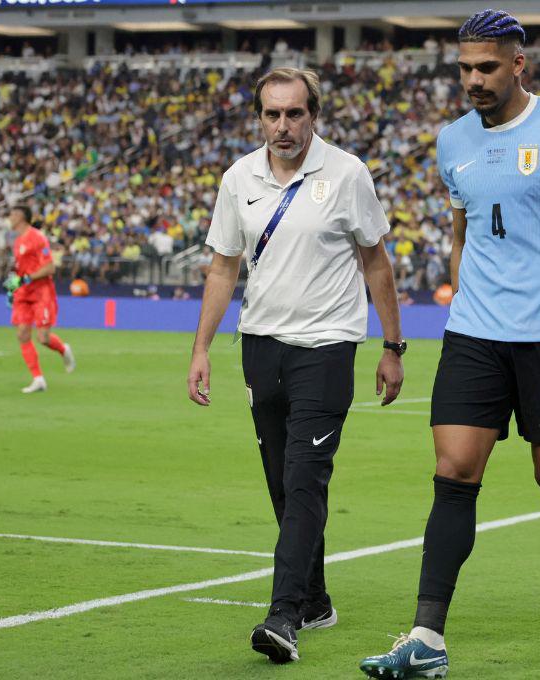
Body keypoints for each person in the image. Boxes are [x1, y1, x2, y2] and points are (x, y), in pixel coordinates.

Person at [359, 10, 540, 679]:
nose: (474, 80)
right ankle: (427, 637)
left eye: (487, 68)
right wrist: (465, 298)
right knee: (453, 473)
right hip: (474, 336)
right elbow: (463, 231)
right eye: (465, 69)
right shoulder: (452, 140)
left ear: (519, 65)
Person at [186, 67, 405, 664]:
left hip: (328, 346)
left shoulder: (346, 174)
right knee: (284, 484)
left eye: (294, 114)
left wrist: (393, 345)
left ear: (314, 116)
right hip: (261, 346)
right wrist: (202, 347)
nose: (283, 126)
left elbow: (376, 262)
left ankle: (283, 617)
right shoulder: (239, 178)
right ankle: (316, 598)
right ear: (260, 117)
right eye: (272, 114)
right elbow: (223, 268)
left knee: (307, 478)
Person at [4, 204, 75, 393]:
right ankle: (38, 379)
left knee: (43, 337)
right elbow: (19, 270)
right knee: (22, 334)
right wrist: (13, 287)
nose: (9, 218)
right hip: (23, 293)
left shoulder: (38, 237)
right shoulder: (18, 241)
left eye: (12, 215)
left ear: (21, 216)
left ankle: (63, 349)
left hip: (41, 291)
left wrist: (26, 278)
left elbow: (50, 268)